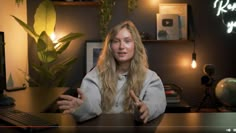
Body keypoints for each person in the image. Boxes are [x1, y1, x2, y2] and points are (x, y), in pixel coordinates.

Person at [57, 20, 167, 123]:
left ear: (135, 45)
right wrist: (83, 108)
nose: (121, 46)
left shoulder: (151, 77)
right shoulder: (95, 75)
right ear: (110, 46)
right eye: (116, 41)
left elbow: (157, 101)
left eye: (127, 41)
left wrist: (146, 109)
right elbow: (91, 101)